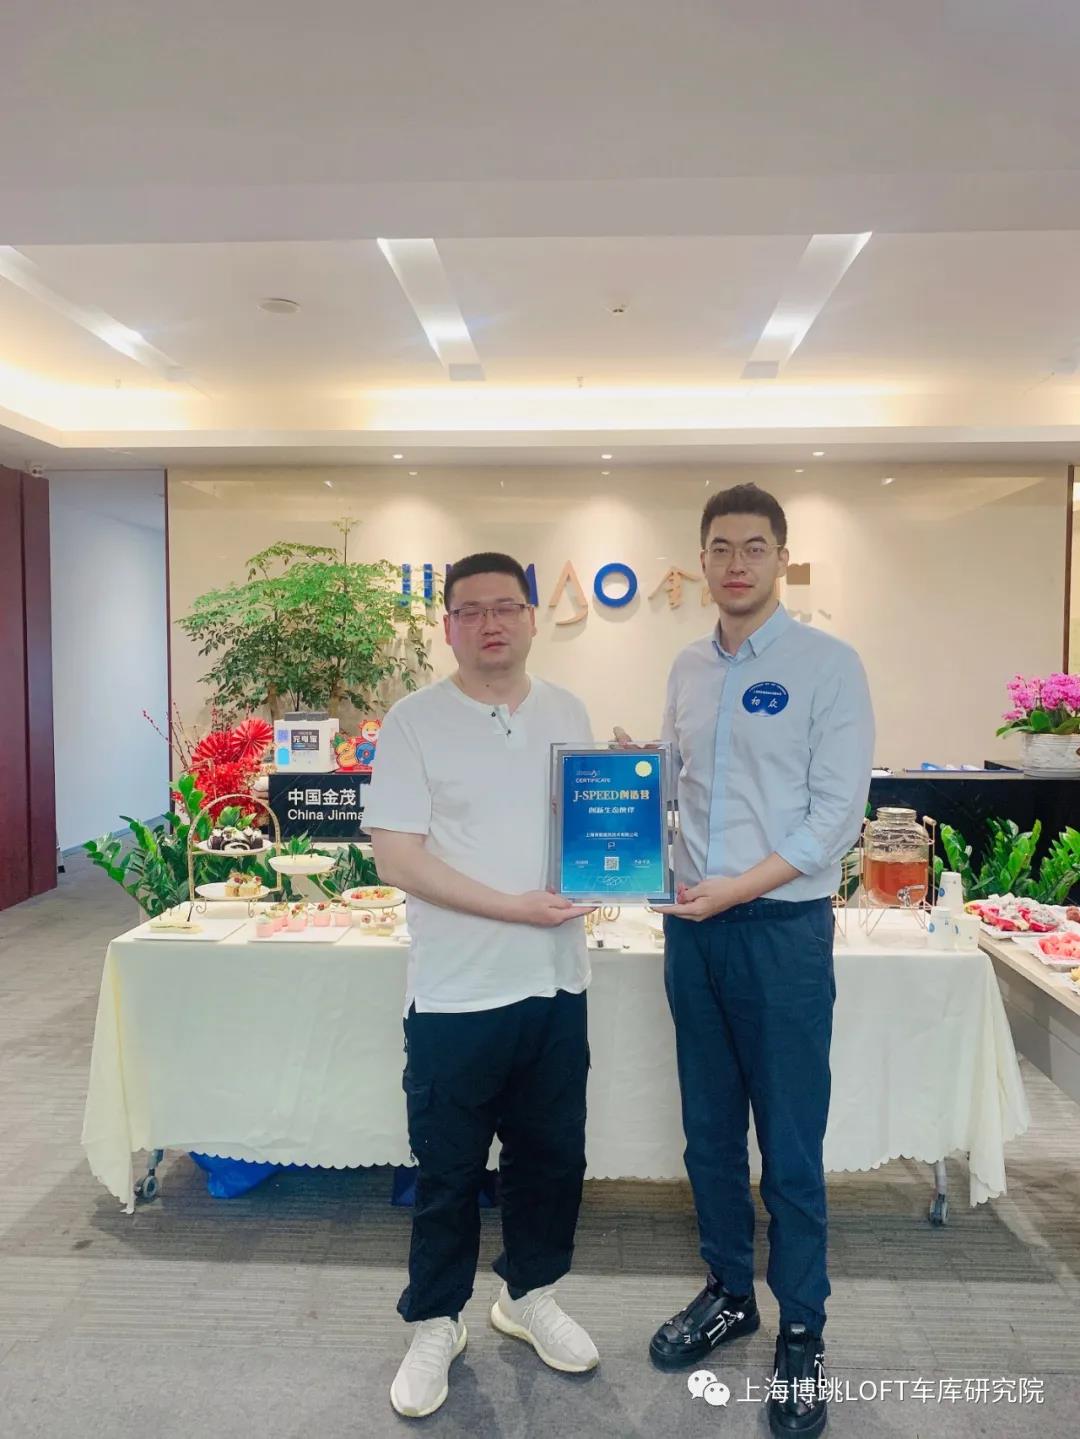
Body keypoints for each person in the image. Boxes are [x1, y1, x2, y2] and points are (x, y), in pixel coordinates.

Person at [645, 484, 874, 1439]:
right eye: (719, 547)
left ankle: (803, 1327)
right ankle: (729, 1292)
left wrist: (737, 887)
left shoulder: (829, 665)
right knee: (707, 1132)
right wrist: (631, 822)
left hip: (781, 932)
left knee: (788, 1141)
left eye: (753, 546)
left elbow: (835, 818)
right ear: (700, 560)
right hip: (693, 933)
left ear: (782, 557)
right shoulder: (687, 668)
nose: (735, 563)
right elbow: (672, 786)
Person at [364, 550, 600, 1420]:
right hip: (456, 993)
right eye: (470, 610)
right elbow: (398, 857)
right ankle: (436, 1320)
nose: (490, 623)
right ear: (448, 626)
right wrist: (514, 908)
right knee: (449, 1170)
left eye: (506, 606)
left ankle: (529, 1295)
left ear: (533, 617)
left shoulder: (567, 710)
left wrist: (624, 804)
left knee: (551, 1159)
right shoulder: (414, 721)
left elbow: (587, 827)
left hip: (555, 984)